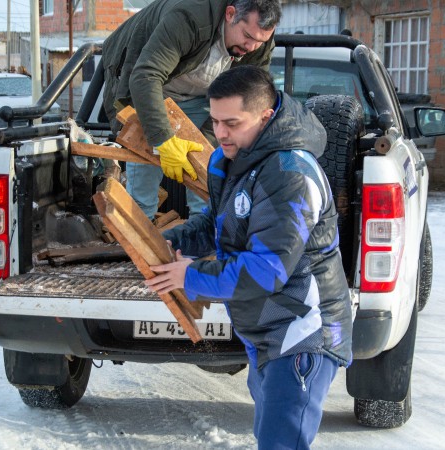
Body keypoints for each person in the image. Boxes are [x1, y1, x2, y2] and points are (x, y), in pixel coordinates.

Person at [144, 66, 353, 449]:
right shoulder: (235, 159)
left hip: (302, 335)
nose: (219, 133)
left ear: (265, 116)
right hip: (267, 332)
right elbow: (219, 224)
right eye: (215, 121)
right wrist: (167, 241)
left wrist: (189, 276)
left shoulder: (291, 174)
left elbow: (266, 271)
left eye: (231, 123)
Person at [101, 0, 281, 219]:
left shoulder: (258, 42)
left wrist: (205, 144)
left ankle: (202, 242)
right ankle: (139, 238)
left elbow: (248, 95)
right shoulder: (190, 17)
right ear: (230, 14)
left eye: (260, 41)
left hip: (201, 98)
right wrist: (163, 140)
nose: (252, 46)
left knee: (207, 175)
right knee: (144, 182)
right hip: (149, 88)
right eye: (248, 36)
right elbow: (145, 76)